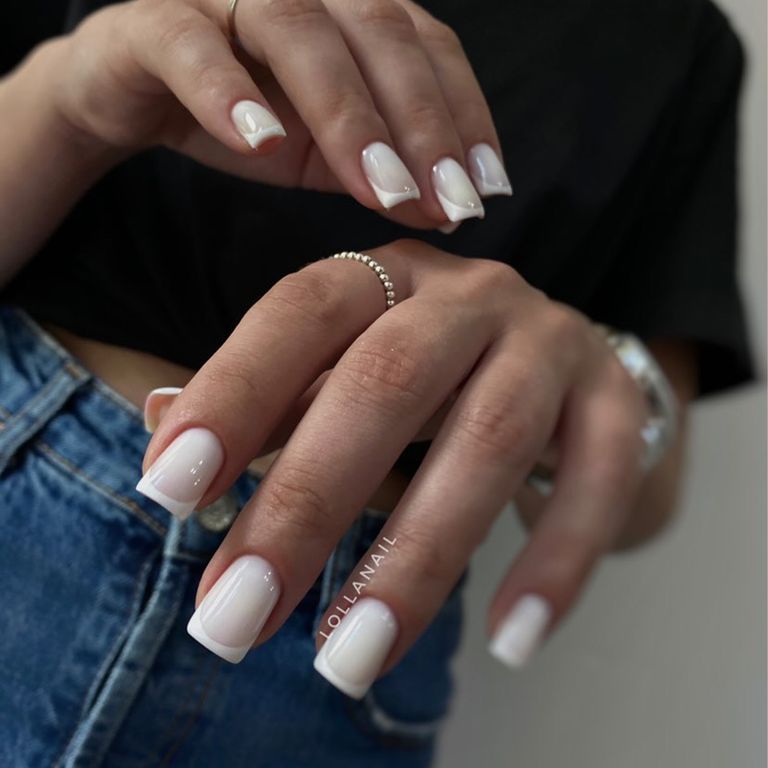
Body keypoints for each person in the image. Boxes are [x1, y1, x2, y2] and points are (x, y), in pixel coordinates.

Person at [0, 0, 753, 765]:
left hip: (345, 638)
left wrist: (573, 389)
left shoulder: (674, 38)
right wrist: (70, 102)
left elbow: (648, 491)